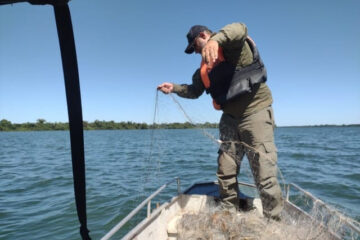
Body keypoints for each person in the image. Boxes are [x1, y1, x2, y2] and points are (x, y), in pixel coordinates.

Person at [157, 23, 283, 220]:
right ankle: (229, 215)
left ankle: (274, 222)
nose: (197, 52)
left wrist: (215, 41)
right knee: (225, 171)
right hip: (229, 119)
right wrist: (173, 87)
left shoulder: (231, 44)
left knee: (264, 175)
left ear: (203, 35)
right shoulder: (203, 70)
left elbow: (241, 28)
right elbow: (194, 91)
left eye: (196, 46)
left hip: (255, 111)